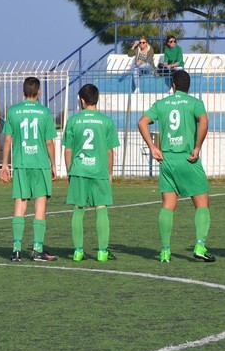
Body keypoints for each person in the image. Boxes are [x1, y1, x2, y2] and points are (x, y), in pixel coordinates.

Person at [137, 70, 215, 262]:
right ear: (189, 86)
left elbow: (142, 122)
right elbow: (204, 121)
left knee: (168, 206)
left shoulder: (161, 104)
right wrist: (197, 147)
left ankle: (165, 251)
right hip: (188, 159)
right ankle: (200, 246)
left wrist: (153, 147)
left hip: (167, 160)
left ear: (173, 85)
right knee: (202, 204)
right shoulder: (195, 103)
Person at [1, 76, 58, 261]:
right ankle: (37, 249)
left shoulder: (13, 111)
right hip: (40, 164)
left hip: (21, 163)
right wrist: (53, 164)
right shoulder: (45, 112)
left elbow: (7, 140)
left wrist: (4, 164)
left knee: (20, 205)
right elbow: (49, 142)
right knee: (40, 205)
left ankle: (16, 249)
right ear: (39, 92)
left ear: (23, 91)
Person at [63, 83, 120, 262]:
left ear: (82, 100)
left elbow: (68, 150)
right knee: (101, 209)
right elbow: (110, 152)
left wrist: (70, 172)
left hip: (79, 170)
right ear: (96, 99)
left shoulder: (73, 121)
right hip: (99, 170)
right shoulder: (106, 121)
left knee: (78, 209)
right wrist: (110, 173)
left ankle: (78, 251)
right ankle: (102, 252)